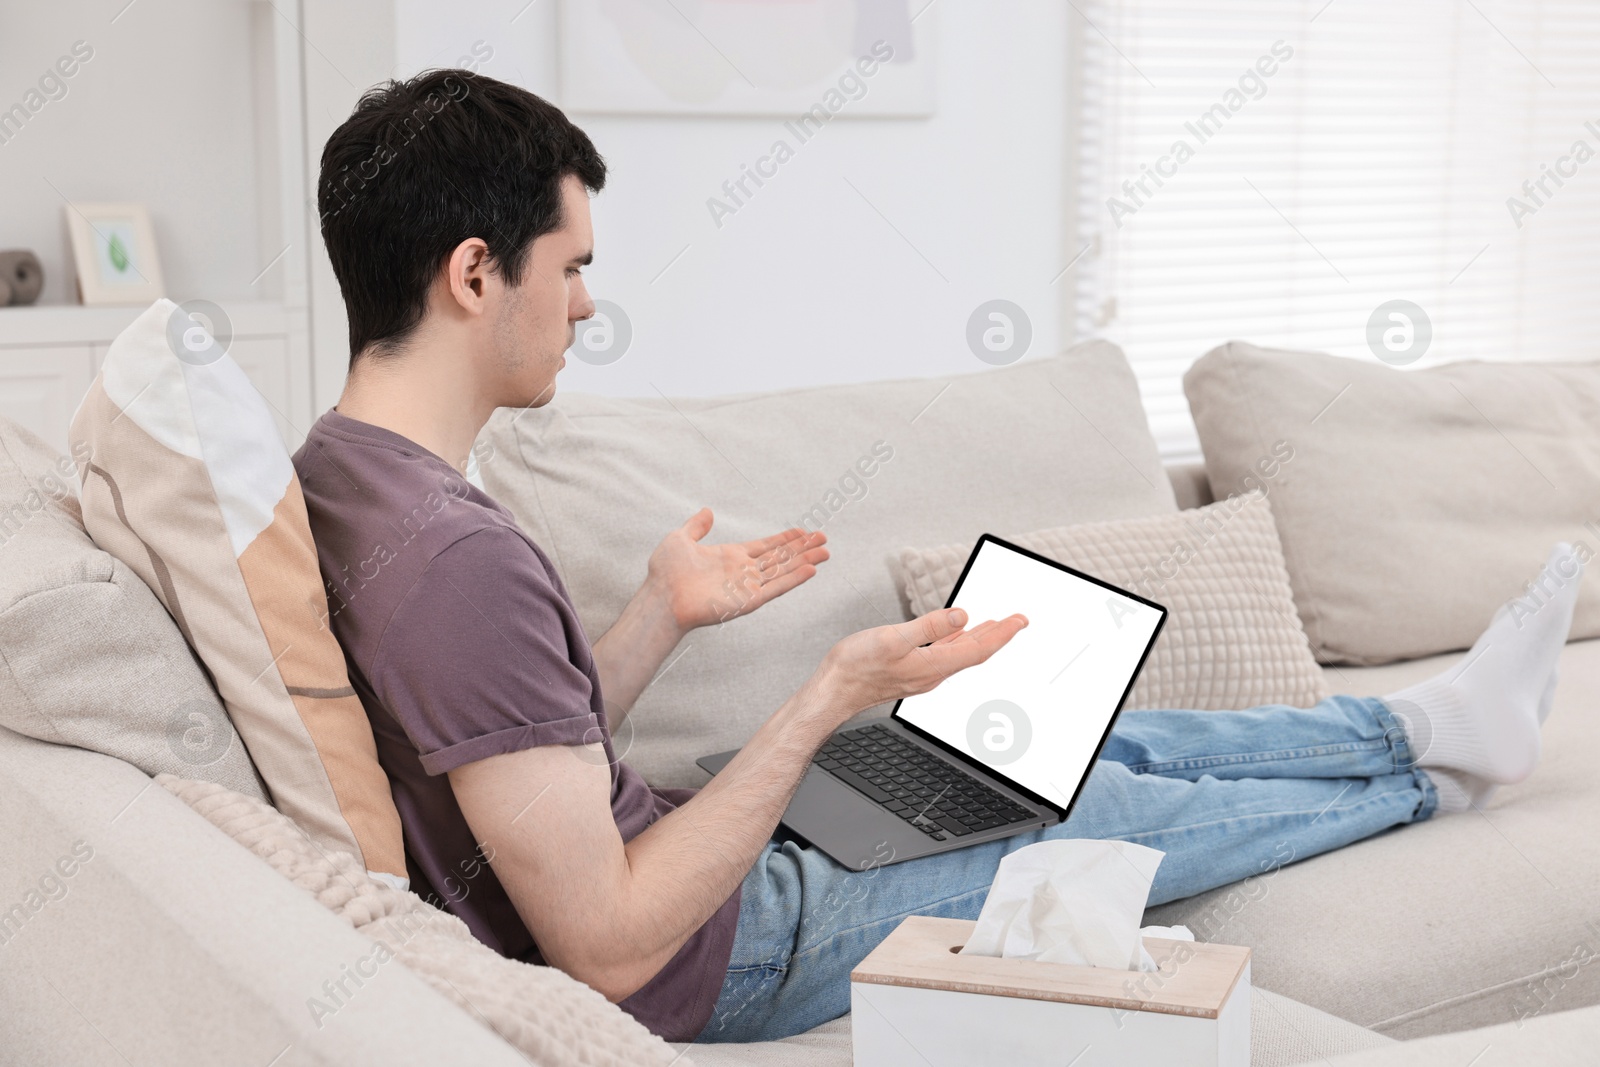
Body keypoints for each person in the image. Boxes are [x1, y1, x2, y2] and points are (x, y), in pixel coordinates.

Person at [293, 70, 1582, 1044]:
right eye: (570, 267)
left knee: (1080, 743)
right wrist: (822, 701)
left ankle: (1415, 726)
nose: (583, 303)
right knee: (1099, 804)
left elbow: (522, 766)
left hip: (709, 859)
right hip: (728, 943)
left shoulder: (352, 475)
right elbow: (614, 946)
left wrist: (656, 620)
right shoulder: (448, 556)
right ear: (474, 273)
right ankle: (1434, 776)